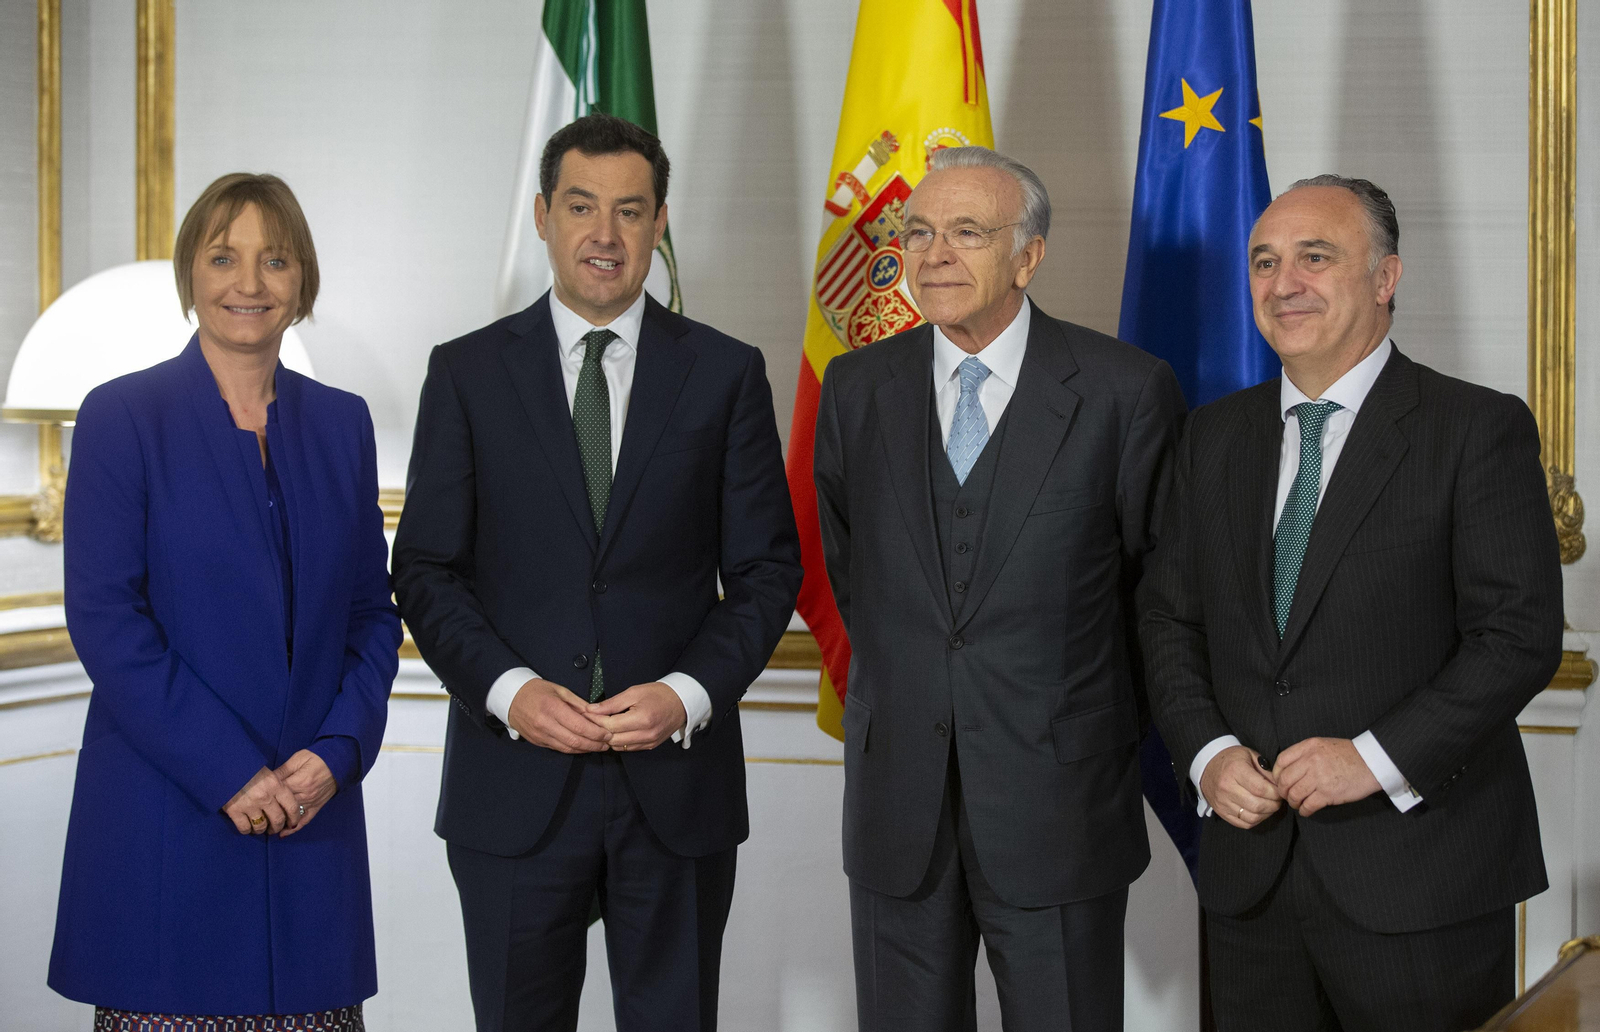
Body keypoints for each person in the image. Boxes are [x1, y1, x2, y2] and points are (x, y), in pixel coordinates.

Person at [391, 113, 801, 1032]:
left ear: (660, 224)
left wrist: (688, 694)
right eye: (582, 206)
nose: (605, 235)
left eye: (629, 210)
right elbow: (423, 569)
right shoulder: (464, 374)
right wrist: (509, 691)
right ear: (542, 215)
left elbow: (770, 570)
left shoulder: (727, 374)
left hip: (676, 785)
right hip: (513, 782)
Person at [1140, 175, 1564, 1031]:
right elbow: (1168, 618)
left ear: (1386, 277)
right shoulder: (1212, 437)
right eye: (1264, 261)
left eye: (1316, 257)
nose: (1283, 282)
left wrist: (1372, 758)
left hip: (1422, 877)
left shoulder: (1475, 428)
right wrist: (1209, 751)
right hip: (1249, 875)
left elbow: (1516, 636)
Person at [812, 146, 1186, 1032]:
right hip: (897, 807)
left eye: (967, 232)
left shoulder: (1125, 392)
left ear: (1029, 256)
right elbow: (853, 573)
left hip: (1061, 809)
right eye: (919, 232)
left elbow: (1159, 597)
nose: (932, 253)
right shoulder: (857, 387)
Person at [48, 173, 401, 1029]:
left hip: (312, 821)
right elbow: (105, 620)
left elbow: (370, 615)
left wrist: (340, 750)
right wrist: (231, 772)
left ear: (302, 281)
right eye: (223, 257)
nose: (249, 283)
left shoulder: (343, 422)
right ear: (190, 276)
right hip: (171, 820)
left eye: (274, 259)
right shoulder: (120, 416)